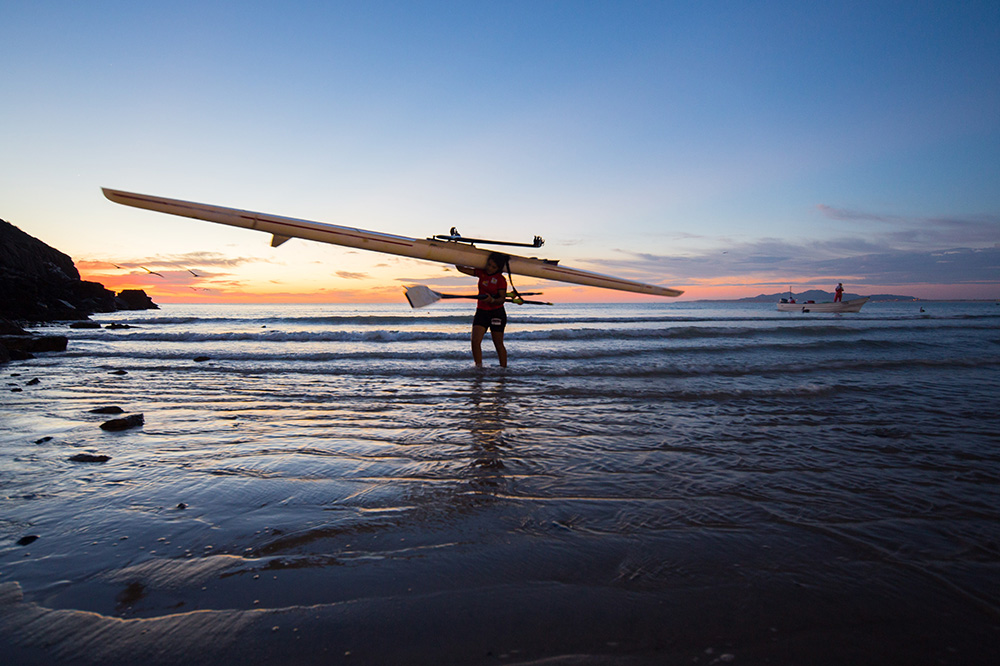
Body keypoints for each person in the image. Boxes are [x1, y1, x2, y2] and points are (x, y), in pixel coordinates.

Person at [456, 252, 509, 368]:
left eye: (493, 267)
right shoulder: (482, 273)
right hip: (482, 311)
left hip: (497, 313)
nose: (490, 268)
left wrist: (492, 301)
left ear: (498, 268)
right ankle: (478, 367)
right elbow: (461, 268)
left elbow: (501, 299)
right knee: (475, 341)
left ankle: (503, 370)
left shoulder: (501, 279)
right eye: (489, 265)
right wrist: (457, 254)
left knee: (498, 344)